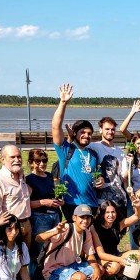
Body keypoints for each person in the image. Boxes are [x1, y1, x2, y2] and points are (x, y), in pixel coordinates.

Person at [50, 84, 103, 220]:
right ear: (74, 133)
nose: (86, 135)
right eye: (82, 132)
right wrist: (63, 103)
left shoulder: (93, 154)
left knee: (89, 240)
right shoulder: (66, 149)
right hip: (72, 204)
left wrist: (100, 180)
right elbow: (56, 126)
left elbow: (98, 174)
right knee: (75, 238)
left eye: (89, 133)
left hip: (92, 204)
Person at [37, 204, 104, 280]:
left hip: (71, 266)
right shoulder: (66, 228)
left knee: (99, 269)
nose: (85, 221)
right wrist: (55, 232)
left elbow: (90, 254)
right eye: (82, 217)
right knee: (80, 278)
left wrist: (97, 269)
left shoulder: (86, 232)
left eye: (88, 218)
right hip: (53, 269)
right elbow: (38, 238)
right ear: (74, 218)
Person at [25, 148, 63, 280]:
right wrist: (43, 202)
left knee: (52, 250)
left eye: (44, 160)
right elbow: (26, 203)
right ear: (31, 162)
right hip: (40, 218)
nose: (42, 163)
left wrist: (60, 202)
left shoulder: (49, 176)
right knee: (38, 253)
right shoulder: (29, 179)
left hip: (55, 216)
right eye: (37, 161)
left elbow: (58, 196)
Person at [0, 144, 33, 251]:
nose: (17, 160)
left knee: (24, 260)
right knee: (11, 261)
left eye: (19, 156)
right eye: (12, 157)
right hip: (11, 227)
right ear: (3, 159)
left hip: (27, 224)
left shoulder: (21, 174)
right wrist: (5, 229)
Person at [93, 196, 140, 280]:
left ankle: (120, 276)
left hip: (115, 255)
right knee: (115, 267)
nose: (111, 215)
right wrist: (120, 260)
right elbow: (101, 254)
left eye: (113, 212)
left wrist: (137, 207)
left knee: (139, 255)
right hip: (101, 259)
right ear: (102, 213)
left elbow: (137, 216)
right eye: (107, 212)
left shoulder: (118, 224)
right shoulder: (95, 228)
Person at [89, 114, 129, 215]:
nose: (110, 132)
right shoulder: (93, 146)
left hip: (119, 201)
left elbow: (123, 177)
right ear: (100, 129)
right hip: (100, 202)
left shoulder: (120, 152)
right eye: (107, 129)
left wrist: (131, 164)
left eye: (112, 129)